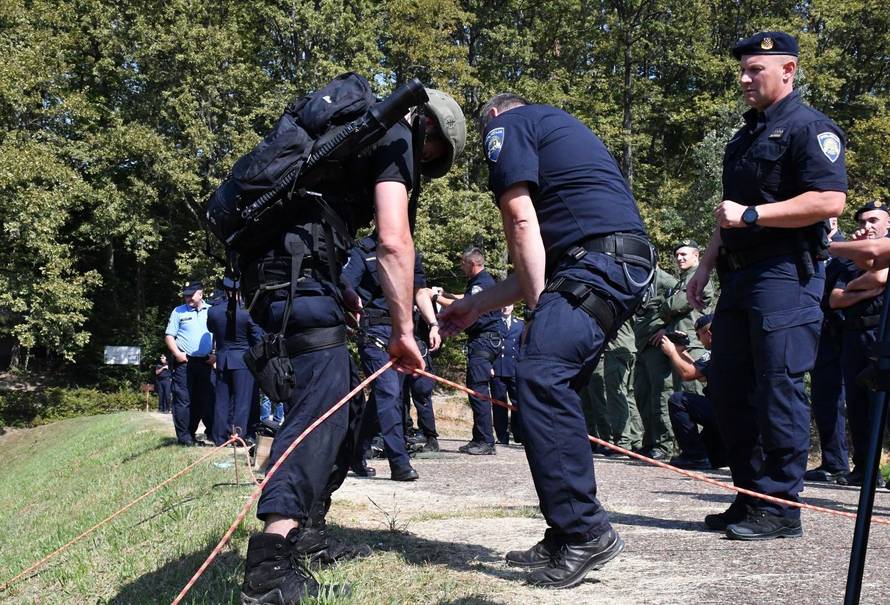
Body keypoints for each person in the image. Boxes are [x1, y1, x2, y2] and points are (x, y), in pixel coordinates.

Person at [239, 86, 465, 603]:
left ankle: (307, 533)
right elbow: (393, 240)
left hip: (285, 275)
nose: (423, 166)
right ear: (430, 132)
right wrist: (405, 333)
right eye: (432, 158)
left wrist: (338, 284)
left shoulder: (353, 138)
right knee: (320, 409)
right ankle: (271, 560)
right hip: (295, 278)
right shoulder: (395, 138)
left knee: (347, 403)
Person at [440, 93, 655, 588]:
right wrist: (474, 305)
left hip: (598, 264)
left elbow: (520, 221)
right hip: (606, 264)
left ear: (493, 114)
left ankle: (585, 532)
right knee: (545, 392)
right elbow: (536, 267)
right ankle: (566, 532)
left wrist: (538, 312)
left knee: (538, 372)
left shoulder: (508, 125)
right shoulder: (554, 130)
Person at [686, 32, 847, 540]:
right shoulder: (746, 135)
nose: (744, 79)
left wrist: (755, 214)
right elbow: (727, 212)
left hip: (786, 274)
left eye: (755, 69)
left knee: (777, 387)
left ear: (789, 70)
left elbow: (828, 202)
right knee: (730, 387)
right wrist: (706, 265)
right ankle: (751, 495)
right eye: (743, 70)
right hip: (740, 275)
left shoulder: (809, 127)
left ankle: (781, 507)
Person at [341, 232, 440, 481]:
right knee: (389, 393)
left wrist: (433, 324)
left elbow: (419, 292)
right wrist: (350, 310)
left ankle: (355, 452)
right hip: (374, 330)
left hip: (403, 332)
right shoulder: (363, 250)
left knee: (382, 399)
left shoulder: (410, 250)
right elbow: (345, 285)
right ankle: (399, 462)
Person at [829, 202, 888, 487]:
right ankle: (865, 469)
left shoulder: (885, 250)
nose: (868, 225)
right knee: (856, 403)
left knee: (883, 402)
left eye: (875, 219)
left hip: (882, 333)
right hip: (853, 335)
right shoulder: (850, 261)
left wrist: (859, 285)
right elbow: (835, 299)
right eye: (864, 221)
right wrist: (860, 288)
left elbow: (880, 275)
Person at [439, 247, 503, 455]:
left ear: (473, 263)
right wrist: (445, 294)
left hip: (484, 341)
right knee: (475, 388)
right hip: (485, 341)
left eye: (463, 264)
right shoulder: (479, 283)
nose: (461, 267)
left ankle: (486, 441)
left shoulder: (482, 283)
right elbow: (465, 298)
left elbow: (466, 306)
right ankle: (478, 438)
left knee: (478, 390)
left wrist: (434, 299)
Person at [804, 217, 850, 482]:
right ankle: (833, 461)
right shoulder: (814, 249)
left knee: (836, 400)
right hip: (819, 333)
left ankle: (839, 463)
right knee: (824, 399)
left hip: (838, 333)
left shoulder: (843, 250)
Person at [660, 314, 726, 470]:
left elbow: (688, 374)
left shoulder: (715, 352)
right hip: (736, 417)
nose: (698, 340)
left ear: (708, 334)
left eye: (698, 335)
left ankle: (694, 456)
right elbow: (699, 372)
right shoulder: (728, 348)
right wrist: (682, 351)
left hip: (724, 412)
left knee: (678, 400)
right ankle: (705, 456)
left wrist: (671, 352)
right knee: (714, 458)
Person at [207, 277, 264, 446]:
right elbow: (257, 337)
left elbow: (211, 329)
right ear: (240, 291)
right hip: (243, 361)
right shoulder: (246, 312)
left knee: (221, 401)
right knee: (242, 401)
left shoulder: (213, 312)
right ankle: (238, 437)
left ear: (225, 291)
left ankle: (219, 438)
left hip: (223, 359)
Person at [633, 266, 678, 460]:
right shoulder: (640, 279)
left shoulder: (667, 280)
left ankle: (664, 445)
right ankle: (650, 441)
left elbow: (686, 305)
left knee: (661, 394)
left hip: (657, 345)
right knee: (643, 394)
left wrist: (667, 329)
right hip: (642, 344)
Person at [164, 281, 215, 446]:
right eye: (186, 295)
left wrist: (216, 355)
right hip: (184, 363)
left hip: (206, 362)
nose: (188, 298)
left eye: (191, 295)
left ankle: (193, 432)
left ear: (201, 294)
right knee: (183, 399)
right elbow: (169, 336)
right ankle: (184, 437)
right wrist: (177, 353)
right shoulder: (178, 312)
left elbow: (222, 335)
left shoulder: (212, 311)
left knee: (202, 400)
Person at [583, 317, 642, 455]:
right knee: (626, 397)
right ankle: (634, 441)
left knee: (617, 396)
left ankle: (622, 442)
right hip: (625, 346)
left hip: (616, 348)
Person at [491, 304, 524, 444]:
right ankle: (502, 435)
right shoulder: (493, 323)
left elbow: (523, 347)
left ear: (513, 306)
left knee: (519, 402)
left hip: (515, 369)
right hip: (497, 369)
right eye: (503, 305)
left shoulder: (520, 324)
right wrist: (488, 365)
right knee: (499, 404)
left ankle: (519, 434)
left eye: (509, 305)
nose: (505, 308)